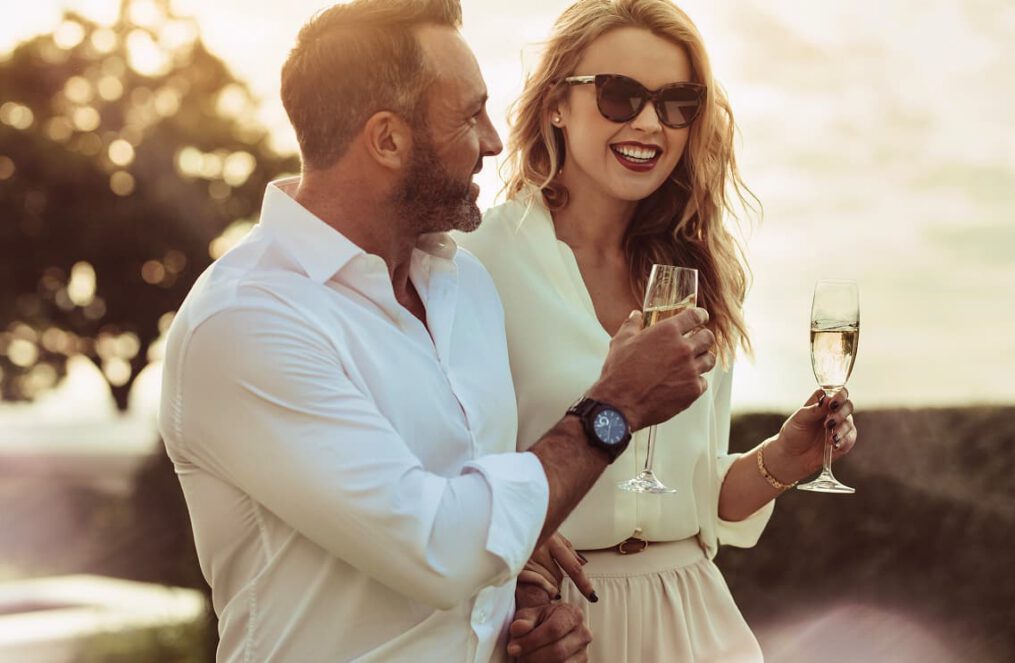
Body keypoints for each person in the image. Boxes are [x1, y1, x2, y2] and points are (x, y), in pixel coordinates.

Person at [158, 1, 719, 661]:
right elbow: (439, 547)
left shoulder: (463, 287)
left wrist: (524, 599)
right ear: (388, 140)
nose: (494, 139)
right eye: (469, 114)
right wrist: (616, 406)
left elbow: (482, 505)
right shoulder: (249, 323)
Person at [457, 1, 859, 661]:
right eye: (621, 96)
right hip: (552, 623)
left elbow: (696, 499)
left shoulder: (691, 269)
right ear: (557, 103)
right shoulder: (479, 259)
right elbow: (447, 475)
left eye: (677, 102)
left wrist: (783, 458)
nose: (650, 122)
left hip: (696, 616)